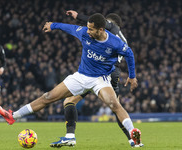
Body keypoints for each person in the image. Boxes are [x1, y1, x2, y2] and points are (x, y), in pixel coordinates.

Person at [0, 13, 141, 147]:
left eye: (91, 29)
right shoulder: (84, 33)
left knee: (114, 104)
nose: (88, 31)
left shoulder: (115, 42)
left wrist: (132, 76)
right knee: (48, 97)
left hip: (100, 79)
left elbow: (129, 53)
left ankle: (133, 133)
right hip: (80, 77)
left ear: (101, 29)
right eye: (88, 28)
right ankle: (13, 116)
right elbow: (69, 27)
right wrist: (53, 25)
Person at [50, 10, 143, 148]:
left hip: (100, 71)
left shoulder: (110, 28)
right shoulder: (122, 39)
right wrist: (132, 75)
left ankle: (70, 136)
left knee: (69, 101)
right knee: (116, 107)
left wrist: (78, 16)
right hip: (114, 72)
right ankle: (132, 138)